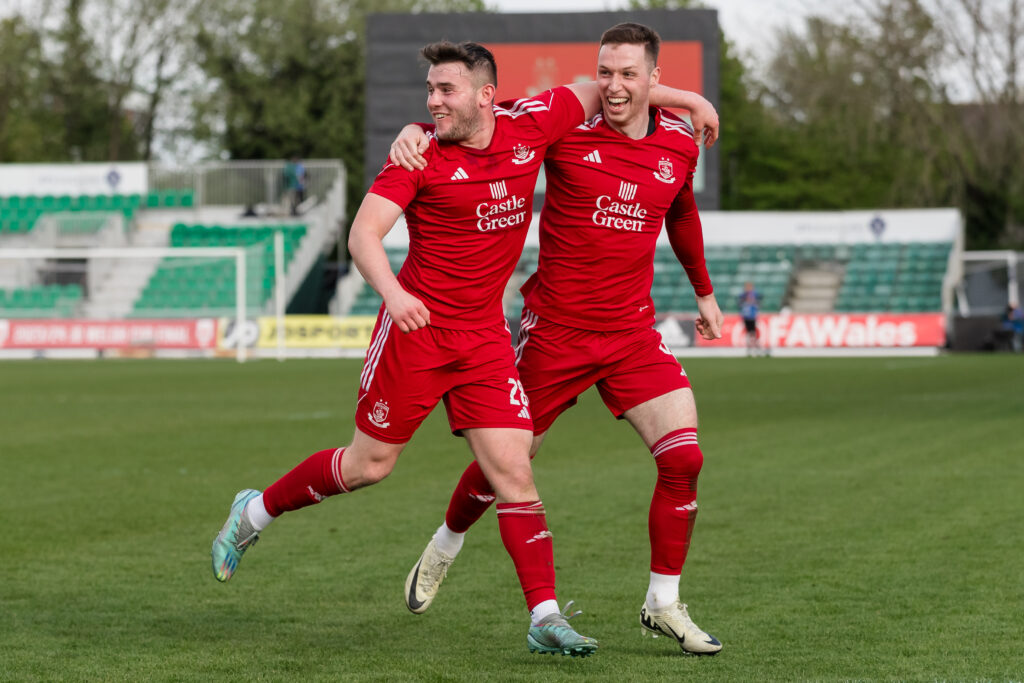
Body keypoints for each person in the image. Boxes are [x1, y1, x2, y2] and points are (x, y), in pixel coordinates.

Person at [211, 39, 719, 658]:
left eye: (445, 91)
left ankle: (546, 616)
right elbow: (364, 233)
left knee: (514, 469)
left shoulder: (532, 125)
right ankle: (255, 511)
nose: (433, 102)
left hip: (484, 339)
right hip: (417, 332)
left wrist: (690, 97)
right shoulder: (419, 151)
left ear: (485, 96)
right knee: (369, 466)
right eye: (429, 92)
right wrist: (393, 293)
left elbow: (607, 89)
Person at [389, 23, 725, 655]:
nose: (614, 85)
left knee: (684, 458)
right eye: (605, 72)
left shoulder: (681, 142)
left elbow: (680, 209)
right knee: (506, 466)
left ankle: (664, 601)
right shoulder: (563, 131)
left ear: (654, 79)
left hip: (632, 333)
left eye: (630, 74)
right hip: (557, 333)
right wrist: (416, 130)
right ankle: (446, 542)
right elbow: (476, 116)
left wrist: (702, 290)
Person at [738, 281, 763, 356]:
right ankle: (750, 348)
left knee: (753, 332)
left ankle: (756, 347)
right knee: (749, 333)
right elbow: (740, 304)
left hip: (752, 316)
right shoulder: (743, 295)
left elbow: (758, 303)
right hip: (746, 317)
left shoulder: (754, 295)